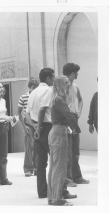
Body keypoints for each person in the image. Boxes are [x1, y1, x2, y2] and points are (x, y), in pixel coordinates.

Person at [25, 68, 76, 200]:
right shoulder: (48, 90)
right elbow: (42, 109)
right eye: (53, 77)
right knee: (58, 162)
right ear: (48, 78)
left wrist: (34, 126)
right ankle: (61, 191)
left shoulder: (32, 92)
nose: (54, 80)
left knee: (41, 162)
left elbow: (26, 113)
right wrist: (39, 127)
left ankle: (43, 191)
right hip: (47, 127)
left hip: (36, 127)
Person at [47, 76, 81, 206]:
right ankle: (57, 198)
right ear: (60, 85)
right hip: (59, 132)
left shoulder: (56, 99)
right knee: (59, 168)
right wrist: (76, 128)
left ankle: (53, 196)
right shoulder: (60, 100)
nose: (68, 85)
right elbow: (69, 116)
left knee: (54, 167)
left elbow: (67, 114)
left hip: (56, 131)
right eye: (66, 83)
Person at [63, 63, 89, 185]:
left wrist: (79, 111)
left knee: (75, 150)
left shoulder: (76, 87)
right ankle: (67, 178)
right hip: (66, 118)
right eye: (75, 72)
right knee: (67, 150)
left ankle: (76, 176)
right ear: (69, 73)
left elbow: (81, 100)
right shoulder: (63, 86)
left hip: (74, 117)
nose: (77, 74)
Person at [17, 78, 39, 177]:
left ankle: (36, 167)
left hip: (37, 123)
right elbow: (19, 113)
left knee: (37, 147)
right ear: (29, 87)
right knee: (29, 147)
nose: (34, 90)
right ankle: (28, 168)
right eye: (33, 88)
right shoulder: (24, 97)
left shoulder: (39, 96)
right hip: (28, 124)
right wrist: (23, 126)